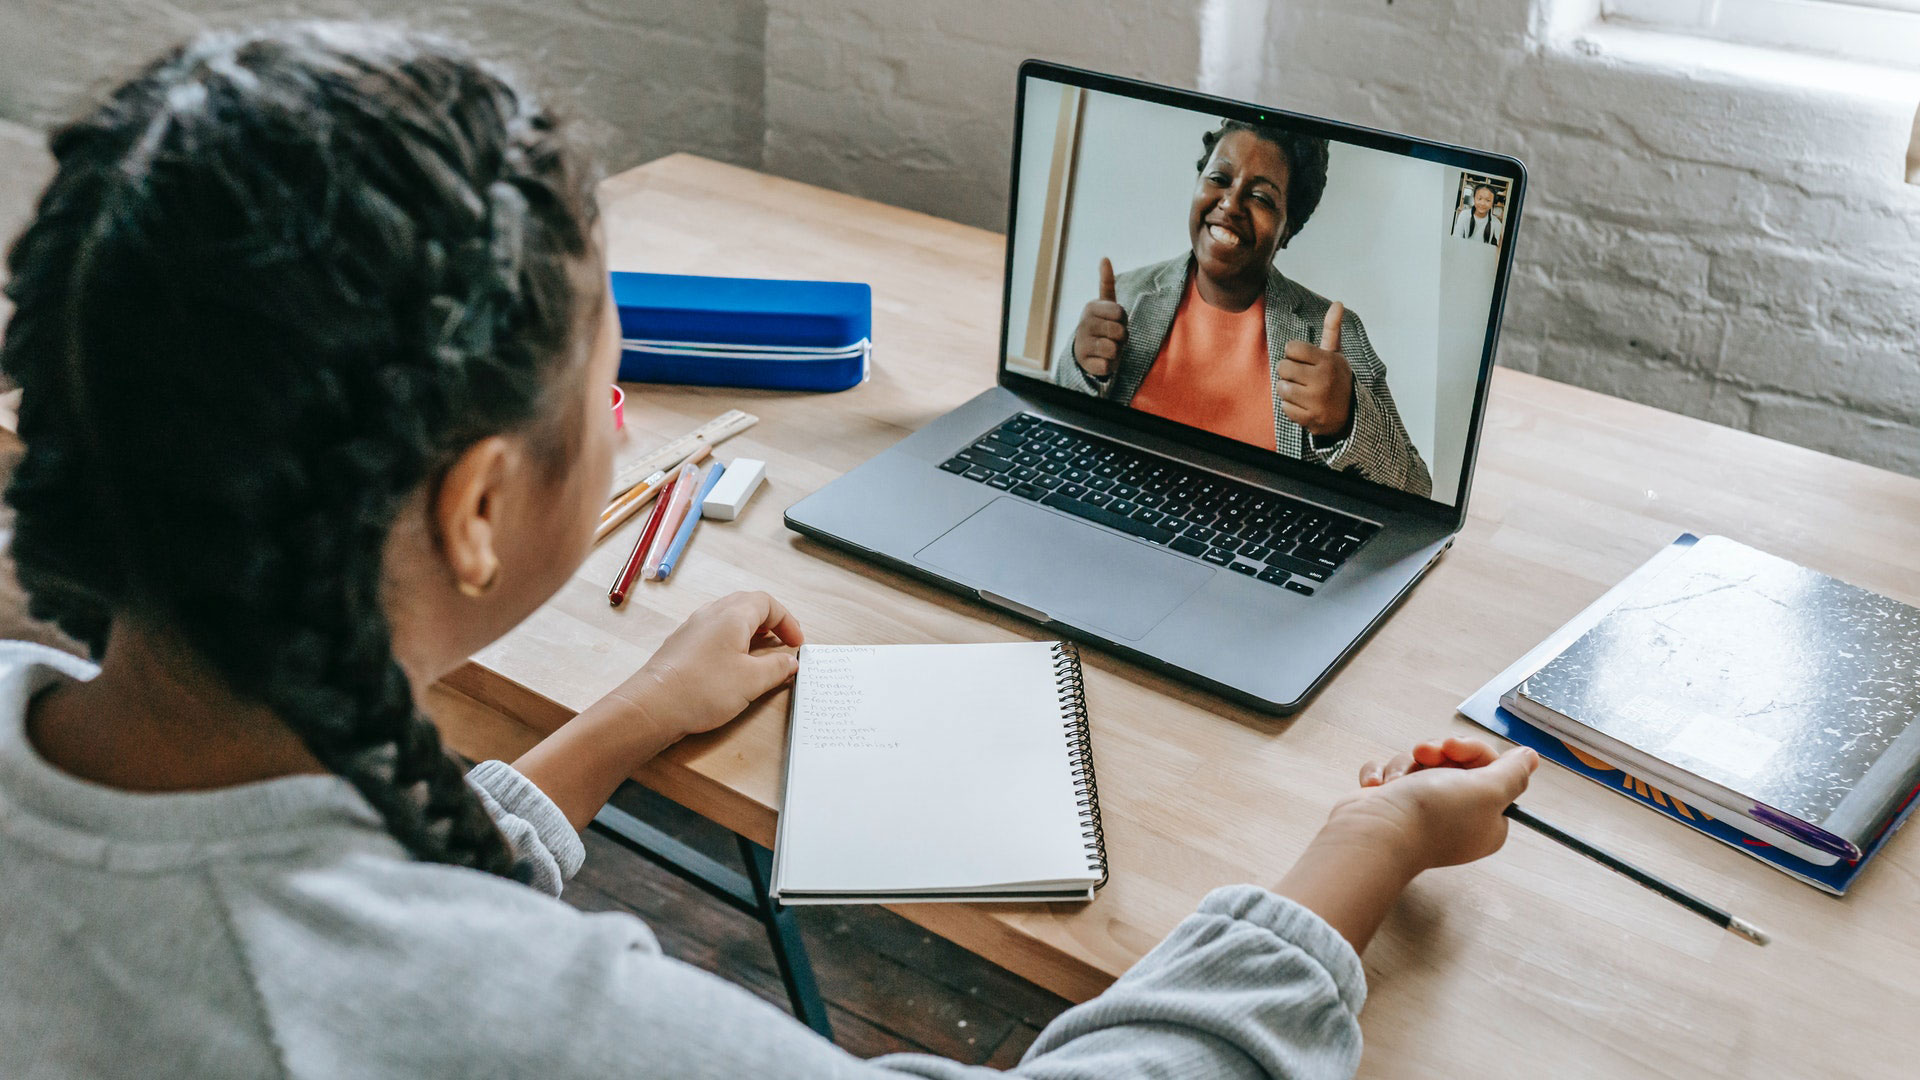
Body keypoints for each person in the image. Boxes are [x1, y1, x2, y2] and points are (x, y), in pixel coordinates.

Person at [0, 24, 1537, 1078]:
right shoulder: (536, 1021)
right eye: (607, 371)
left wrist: (616, 729)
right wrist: (1363, 851)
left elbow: (312, 873)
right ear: (475, 510)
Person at [1055, 120, 1432, 499]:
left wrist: (1345, 420)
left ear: (1287, 231)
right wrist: (1080, 368)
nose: (1231, 204)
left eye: (1263, 198)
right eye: (1219, 178)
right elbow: (1060, 439)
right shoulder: (1127, 296)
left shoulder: (1333, 333)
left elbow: (1417, 491)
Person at [1452, 182, 1502, 246]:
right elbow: (1456, 239)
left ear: (1493, 203)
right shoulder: (1464, 215)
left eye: (1488, 200)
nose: (1482, 203)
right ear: (1474, 198)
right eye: (1479, 198)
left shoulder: (1496, 223)